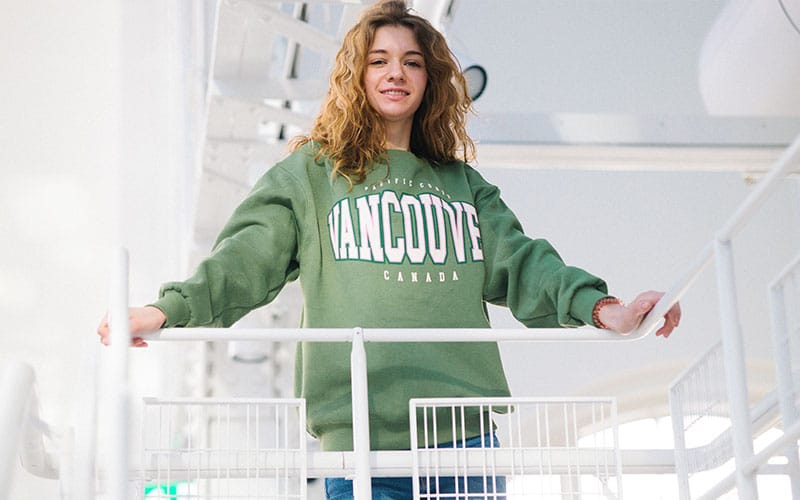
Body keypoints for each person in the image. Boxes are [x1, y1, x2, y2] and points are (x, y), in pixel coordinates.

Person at [97, 1, 681, 498]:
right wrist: (166, 310)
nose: (395, 73)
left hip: (464, 436)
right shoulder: (311, 175)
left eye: (411, 62)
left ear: (429, 80)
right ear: (356, 75)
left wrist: (607, 309)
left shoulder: (462, 185)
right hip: (360, 437)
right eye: (378, 61)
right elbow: (244, 260)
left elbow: (526, 265)